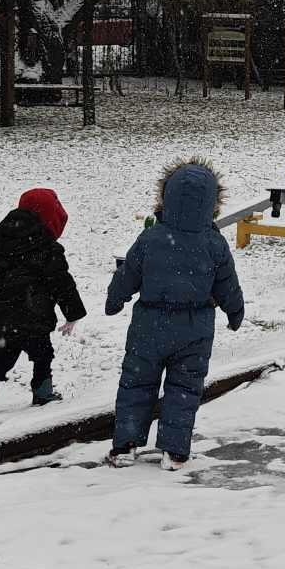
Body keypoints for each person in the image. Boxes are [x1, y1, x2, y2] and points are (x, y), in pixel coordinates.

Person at [106, 159, 244, 469]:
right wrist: (235, 312)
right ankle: (174, 450)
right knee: (184, 389)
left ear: (166, 197)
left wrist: (115, 299)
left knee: (136, 385)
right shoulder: (214, 243)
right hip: (194, 329)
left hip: (149, 326)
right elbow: (228, 284)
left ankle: (126, 444)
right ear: (212, 203)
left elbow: (129, 274)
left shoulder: (152, 238)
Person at [0, 188, 85, 416]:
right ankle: (43, 392)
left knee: (4, 357)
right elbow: (61, 282)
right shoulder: (47, 247)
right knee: (43, 355)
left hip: (2, 317)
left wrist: (1, 293)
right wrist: (73, 313)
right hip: (34, 316)